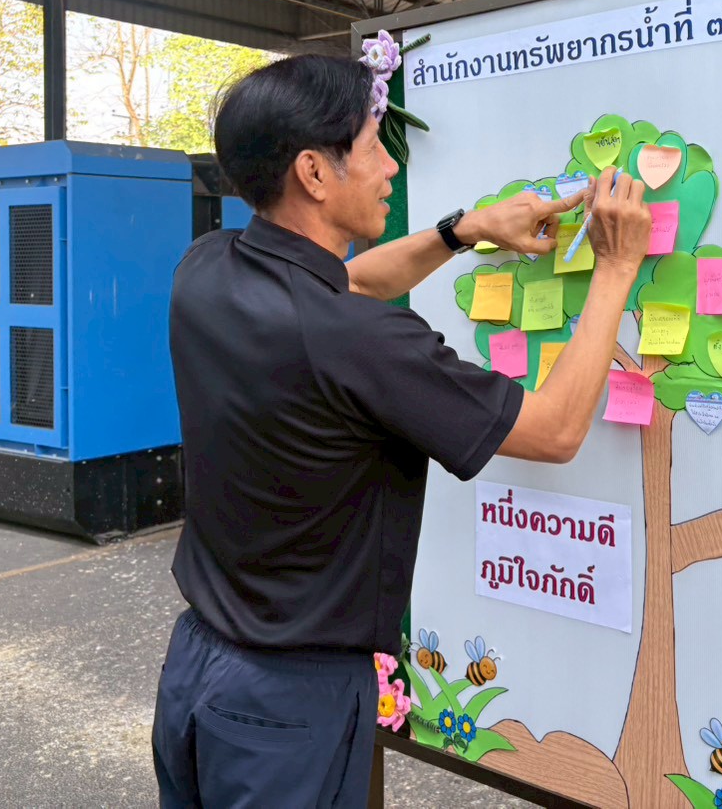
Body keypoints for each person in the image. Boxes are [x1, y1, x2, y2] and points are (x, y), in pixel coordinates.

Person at [150, 53, 654, 808]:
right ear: (314, 173)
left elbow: (351, 279)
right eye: (372, 146)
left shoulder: (207, 267)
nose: (389, 167)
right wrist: (614, 269)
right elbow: (553, 432)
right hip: (291, 706)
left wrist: (465, 230)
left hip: (196, 671)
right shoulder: (359, 340)